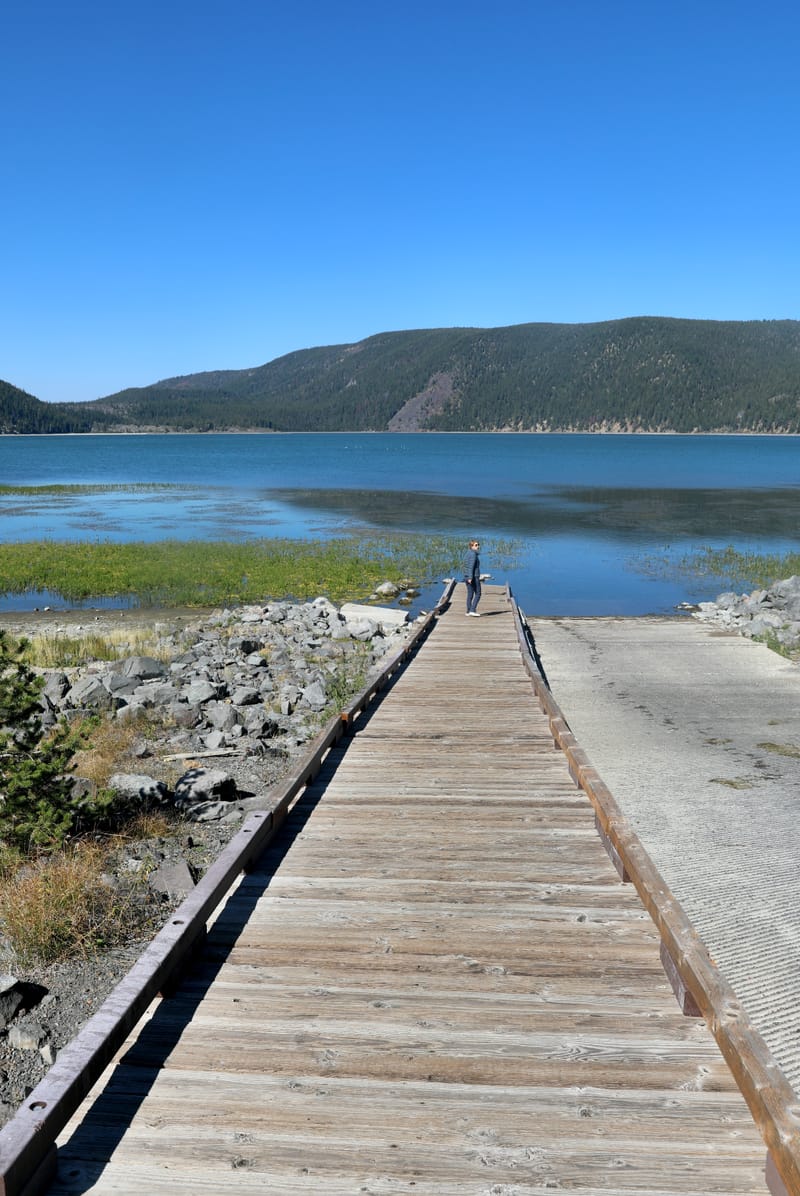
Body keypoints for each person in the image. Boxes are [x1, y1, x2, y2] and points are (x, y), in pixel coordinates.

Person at [463, 538, 482, 616]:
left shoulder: (467, 553)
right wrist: (470, 577)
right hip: (474, 577)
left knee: (470, 594)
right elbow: (471, 566)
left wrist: (466, 576)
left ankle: (468, 611)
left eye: (478, 545)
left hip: (467, 576)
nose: (478, 546)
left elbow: (465, 566)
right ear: (471, 546)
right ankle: (472, 610)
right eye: (476, 545)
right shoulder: (473, 554)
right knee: (478, 593)